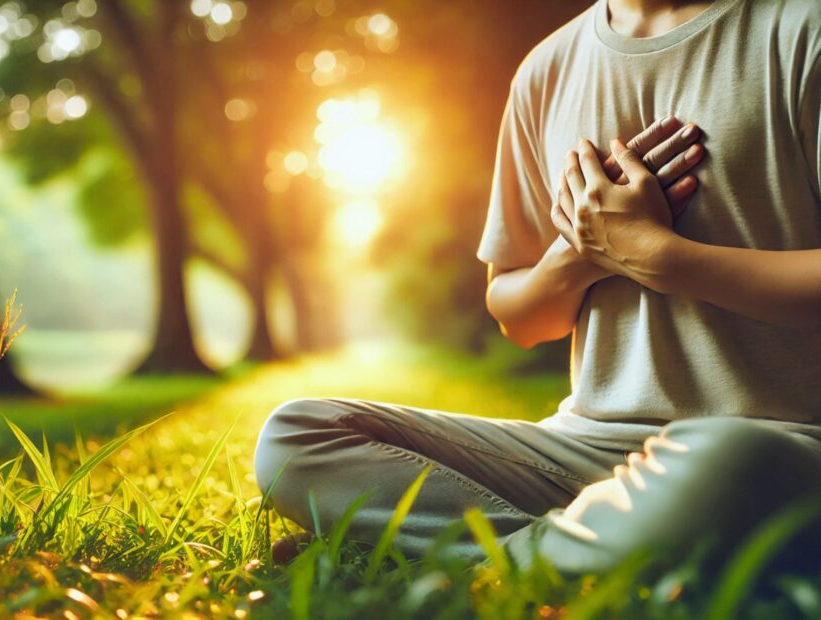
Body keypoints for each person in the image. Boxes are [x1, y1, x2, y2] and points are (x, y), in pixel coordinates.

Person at [254, 0, 821, 574]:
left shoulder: (802, 29)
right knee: (298, 436)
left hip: (776, 442)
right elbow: (520, 318)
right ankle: (571, 552)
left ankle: (451, 566)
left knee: (730, 464)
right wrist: (584, 252)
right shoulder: (545, 69)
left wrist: (660, 258)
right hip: (582, 450)